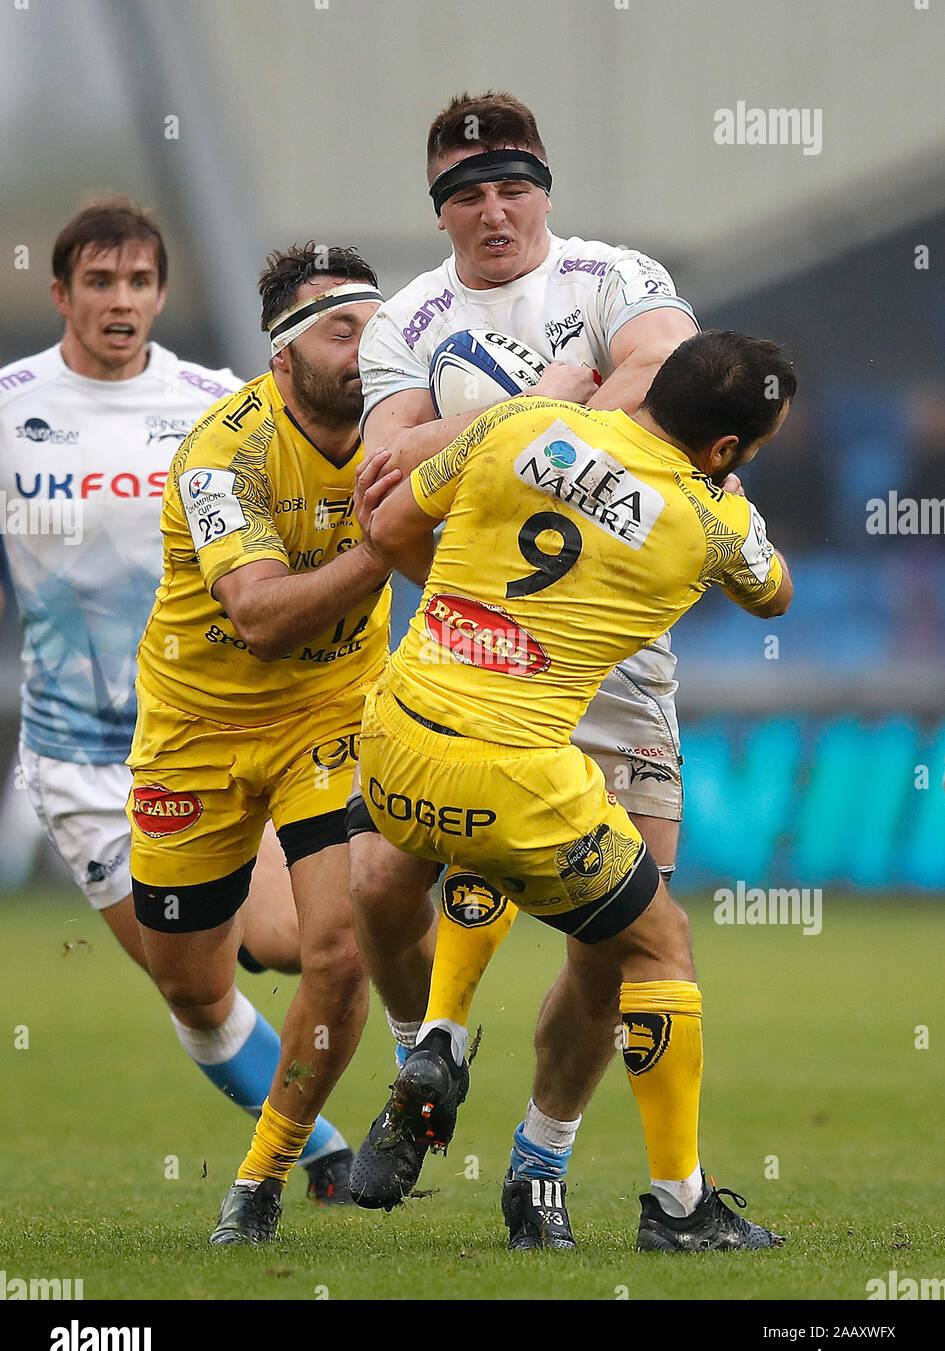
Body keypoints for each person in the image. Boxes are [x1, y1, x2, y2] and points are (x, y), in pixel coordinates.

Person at [350, 330, 795, 1251]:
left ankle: (434, 1039)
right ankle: (679, 1209)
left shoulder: (524, 420)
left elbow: (387, 526)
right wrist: (735, 508)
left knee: (484, 851)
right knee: (657, 946)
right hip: (513, 776)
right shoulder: (706, 522)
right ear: (723, 454)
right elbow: (775, 594)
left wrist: (483, 622)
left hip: (392, 751)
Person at [348, 90, 705, 1207]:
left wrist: (476, 432)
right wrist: (566, 396)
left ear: (543, 186)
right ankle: (429, 1043)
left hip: (619, 665)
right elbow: (381, 492)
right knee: (381, 876)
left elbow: (672, 385)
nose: (495, 212)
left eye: (513, 187)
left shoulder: (613, 278)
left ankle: (539, 1159)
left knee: (616, 941)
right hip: (474, 646)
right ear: (441, 210)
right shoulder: (404, 323)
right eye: (469, 196)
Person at [0, 200, 350, 1202]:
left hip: (223, 729)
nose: (122, 301)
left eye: (140, 282)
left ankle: (329, 1146)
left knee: (295, 941)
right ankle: (323, 1144)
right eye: (100, 283)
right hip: (86, 758)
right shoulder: (12, 404)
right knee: (194, 991)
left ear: (161, 293)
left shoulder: (216, 404)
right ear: (62, 293)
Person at [126, 242, 402, 1245]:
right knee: (194, 989)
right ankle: (250, 916)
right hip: (197, 729)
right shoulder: (222, 452)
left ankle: (263, 1177)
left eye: (375, 324)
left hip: (331, 713)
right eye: (340, 330)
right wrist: (384, 546)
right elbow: (260, 617)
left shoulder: (406, 421)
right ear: (281, 359)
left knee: (341, 947)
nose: (366, 348)